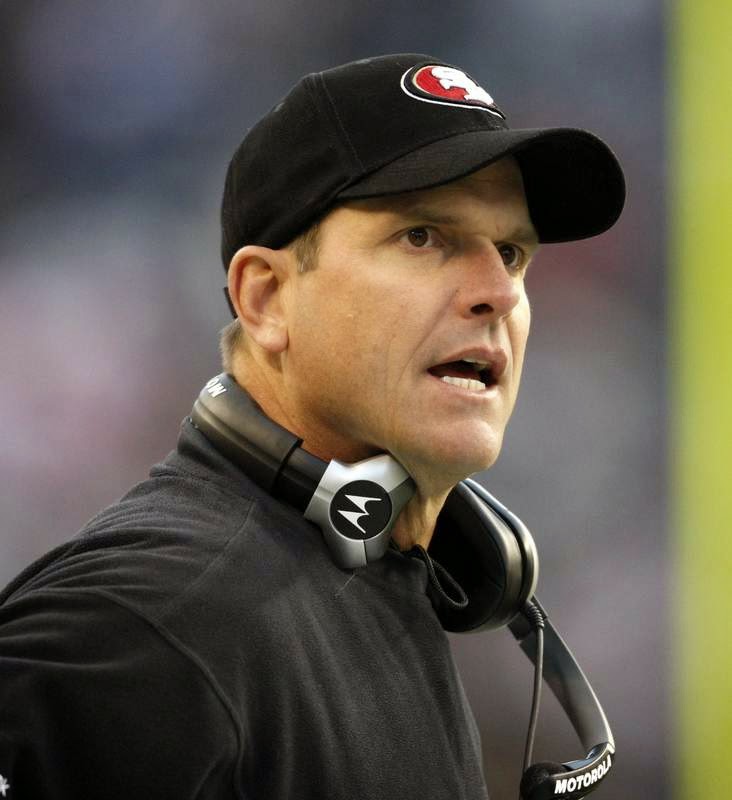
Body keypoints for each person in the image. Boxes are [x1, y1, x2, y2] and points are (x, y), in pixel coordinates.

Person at [0, 53, 624, 800]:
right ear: (265, 299)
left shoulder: (374, 579)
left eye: (512, 252)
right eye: (423, 236)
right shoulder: (140, 619)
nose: (499, 291)